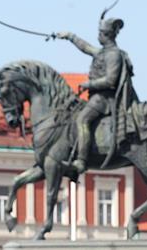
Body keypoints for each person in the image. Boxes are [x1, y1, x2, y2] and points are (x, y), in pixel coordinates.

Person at [56, 15, 138, 173]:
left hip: (105, 99)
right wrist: (69, 36)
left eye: (100, 33)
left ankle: (81, 161)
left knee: (82, 119)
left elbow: (110, 80)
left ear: (106, 35)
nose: (98, 36)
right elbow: (86, 47)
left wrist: (89, 84)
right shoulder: (103, 52)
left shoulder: (113, 55)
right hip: (97, 97)